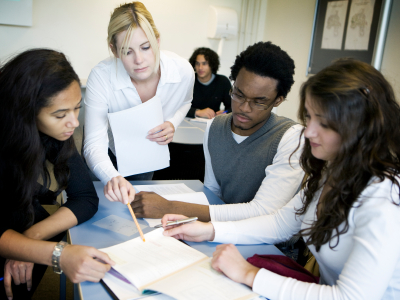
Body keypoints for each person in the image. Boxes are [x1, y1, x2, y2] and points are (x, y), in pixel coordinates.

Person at [161, 59, 400, 300]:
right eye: (309, 118)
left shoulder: (384, 197)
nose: (308, 132)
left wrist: (249, 274)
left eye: (324, 124)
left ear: (361, 128)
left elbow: (351, 297)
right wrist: (207, 231)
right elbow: (280, 223)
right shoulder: (333, 170)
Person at [131, 42, 304, 222]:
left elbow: (264, 212)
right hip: (223, 230)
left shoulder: (291, 138)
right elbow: (213, 193)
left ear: (278, 101)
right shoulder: (215, 127)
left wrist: (170, 207)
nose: (244, 108)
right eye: (238, 94)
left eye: (259, 102)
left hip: (271, 246)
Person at [0, 49, 115, 300]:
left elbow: (85, 197)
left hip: (21, 229)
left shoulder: (56, 135)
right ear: (25, 112)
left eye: (77, 108)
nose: (74, 122)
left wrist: (30, 241)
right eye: (61, 114)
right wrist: (57, 254)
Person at [83, 2, 195, 204]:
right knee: (99, 207)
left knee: (136, 215)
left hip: (146, 157)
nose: (140, 60)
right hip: (106, 157)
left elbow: (186, 101)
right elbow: (93, 144)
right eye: (127, 51)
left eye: (146, 47)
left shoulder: (183, 71)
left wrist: (172, 123)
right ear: (114, 50)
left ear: (157, 40)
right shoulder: (101, 76)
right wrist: (112, 177)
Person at [186, 47, 231, 119]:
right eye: (197, 63)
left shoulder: (222, 82)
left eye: (204, 63)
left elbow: (232, 107)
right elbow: (177, 106)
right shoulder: (189, 80)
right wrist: (197, 112)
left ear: (212, 65)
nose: (200, 67)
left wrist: (225, 113)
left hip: (213, 123)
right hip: (188, 122)